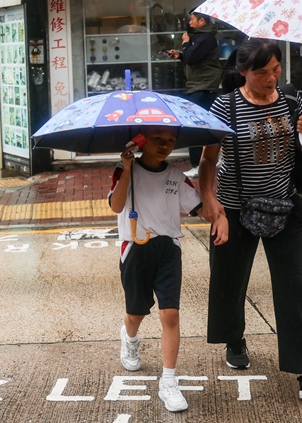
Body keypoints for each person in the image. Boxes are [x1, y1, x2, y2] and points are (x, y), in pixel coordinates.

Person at [197, 39, 302, 401]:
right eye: (262, 72)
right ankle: (234, 339)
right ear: (243, 72)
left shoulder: (291, 102)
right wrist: (211, 204)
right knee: (230, 279)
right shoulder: (226, 106)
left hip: (285, 206)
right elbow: (207, 160)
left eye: (276, 70)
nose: (271, 78)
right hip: (236, 209)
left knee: (294, 286)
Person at [109, 126, 228, 413]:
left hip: (168, 250)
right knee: (136, 312)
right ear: (142, 141)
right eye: (158, 140)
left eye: (170, 141)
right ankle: (131, 338)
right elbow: (116, 205)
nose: (164, 145)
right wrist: (125, 168)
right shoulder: (125, 169)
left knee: (170, 314)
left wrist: (219, 216)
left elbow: (199, 207)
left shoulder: (176, 176)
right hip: (135, 247)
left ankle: (169, 381)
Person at [168, 9, 222, 179]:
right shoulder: (201, 38)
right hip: (200, 84)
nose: (189, 23)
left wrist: (185, 44)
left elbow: (192, 58)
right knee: (202, 124)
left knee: (196, 124)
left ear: (201, 22)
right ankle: (205, 161)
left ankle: (199, 164)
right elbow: (194, 58)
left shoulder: (206, 38)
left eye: (192, 20)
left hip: (203, 86)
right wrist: (180, 55)